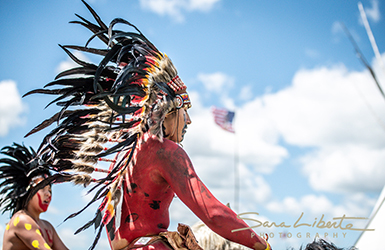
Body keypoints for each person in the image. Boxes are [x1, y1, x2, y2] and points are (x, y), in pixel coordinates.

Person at [23, 1, 271, 250]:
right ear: (167, 111)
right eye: (185, 110)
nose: (189, 121)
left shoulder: (123, 155)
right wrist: (260, 244)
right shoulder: (166, 151)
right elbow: (213, 213)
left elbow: (112, 227)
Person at [0, 143, 69, 250]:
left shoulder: (47, 226)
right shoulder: (22, 220)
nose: (48, 194)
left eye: (50, 190)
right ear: (27, 190)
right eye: (42, 188)